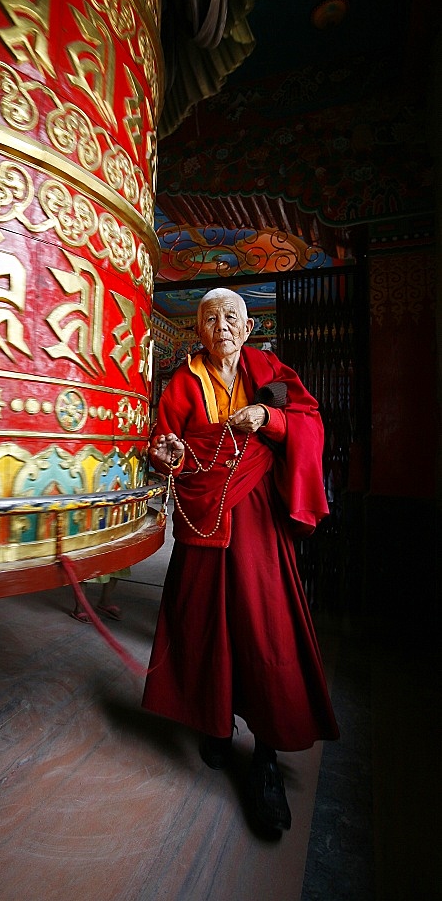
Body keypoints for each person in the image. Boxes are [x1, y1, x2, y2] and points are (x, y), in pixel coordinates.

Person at [143, 288, 339, 834]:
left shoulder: (269, 369)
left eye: (232, 316)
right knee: (204, 626)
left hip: (255, 520)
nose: (221, 325)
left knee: (264, 629)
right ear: (197, 330)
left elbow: (309, 421)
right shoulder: (183, 381)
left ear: (248, 328)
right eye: (209, 317)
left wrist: (270, 420)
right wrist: (167, 452)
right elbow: (166, 440)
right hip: (204, 522)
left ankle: (268, 758)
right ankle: (216, 724)